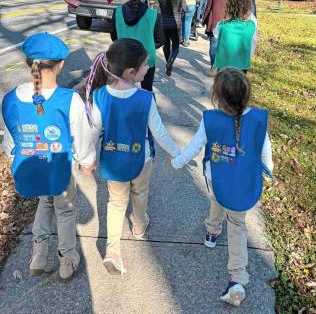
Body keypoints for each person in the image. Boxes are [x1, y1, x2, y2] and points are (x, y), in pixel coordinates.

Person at [171, 68, 273, 307]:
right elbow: (265, 150)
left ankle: (211, 233)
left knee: (217, 201)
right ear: (246, 94)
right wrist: (268, 172)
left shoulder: (211, 120)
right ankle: (236, 278)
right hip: (245, 185)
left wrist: (176, 162)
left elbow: (194, 147)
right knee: (237, 225)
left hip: (218, 181)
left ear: (217, 96)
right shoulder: (258, 119)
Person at [1, 32, 95, 282]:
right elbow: (82, 136)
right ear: (61, 64)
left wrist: (16, 162)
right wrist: (87, 161)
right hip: (60, 169)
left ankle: (38, 257)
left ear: (27, 62)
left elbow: (11, 140)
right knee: (65, 210)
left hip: (32, 168)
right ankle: (67, 258)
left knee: (44, 203)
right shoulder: (69, 99)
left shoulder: (10, 99)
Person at [84, 38, 180, 275]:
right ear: (131, 72)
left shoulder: (100, 96)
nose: (148, 68)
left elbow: (94, 130)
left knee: (116, 203)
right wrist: (178, 154)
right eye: (145, 65)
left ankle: (112, 251)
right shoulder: (145, 98)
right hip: (141, 159)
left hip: (113, 159)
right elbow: (158, 131)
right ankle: (138, 227)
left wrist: (86, 158)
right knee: (140, 192)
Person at [110, 0, 165, 91]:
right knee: (146, 91)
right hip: (146, 60)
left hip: (123, 58)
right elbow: (160, 40)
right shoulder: (154, 14)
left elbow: (114, 37)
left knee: (122, 90)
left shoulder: (117, 12)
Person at [212, 0, 257, 73]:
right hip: (242, 64)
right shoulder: (251, 26)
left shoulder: (222, 25)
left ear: (228, 7)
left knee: (222, 85)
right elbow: (253, 43)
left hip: (223, 64)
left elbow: (215, 35)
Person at [157, 0, 188, 76]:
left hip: (164, 24)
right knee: (175, 46)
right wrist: (180, 14)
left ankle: (168, 62)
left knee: (166, 46)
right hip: (176, 24)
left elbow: (157, 10)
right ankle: (170, 62)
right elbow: (185, 9)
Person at [203, 0, 230, 74]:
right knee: (225, 46)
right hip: (228, 22)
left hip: (215, 22)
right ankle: (221, 67)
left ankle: (214, 65)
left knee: (213, 45)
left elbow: (208, 7)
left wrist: (204, 19)